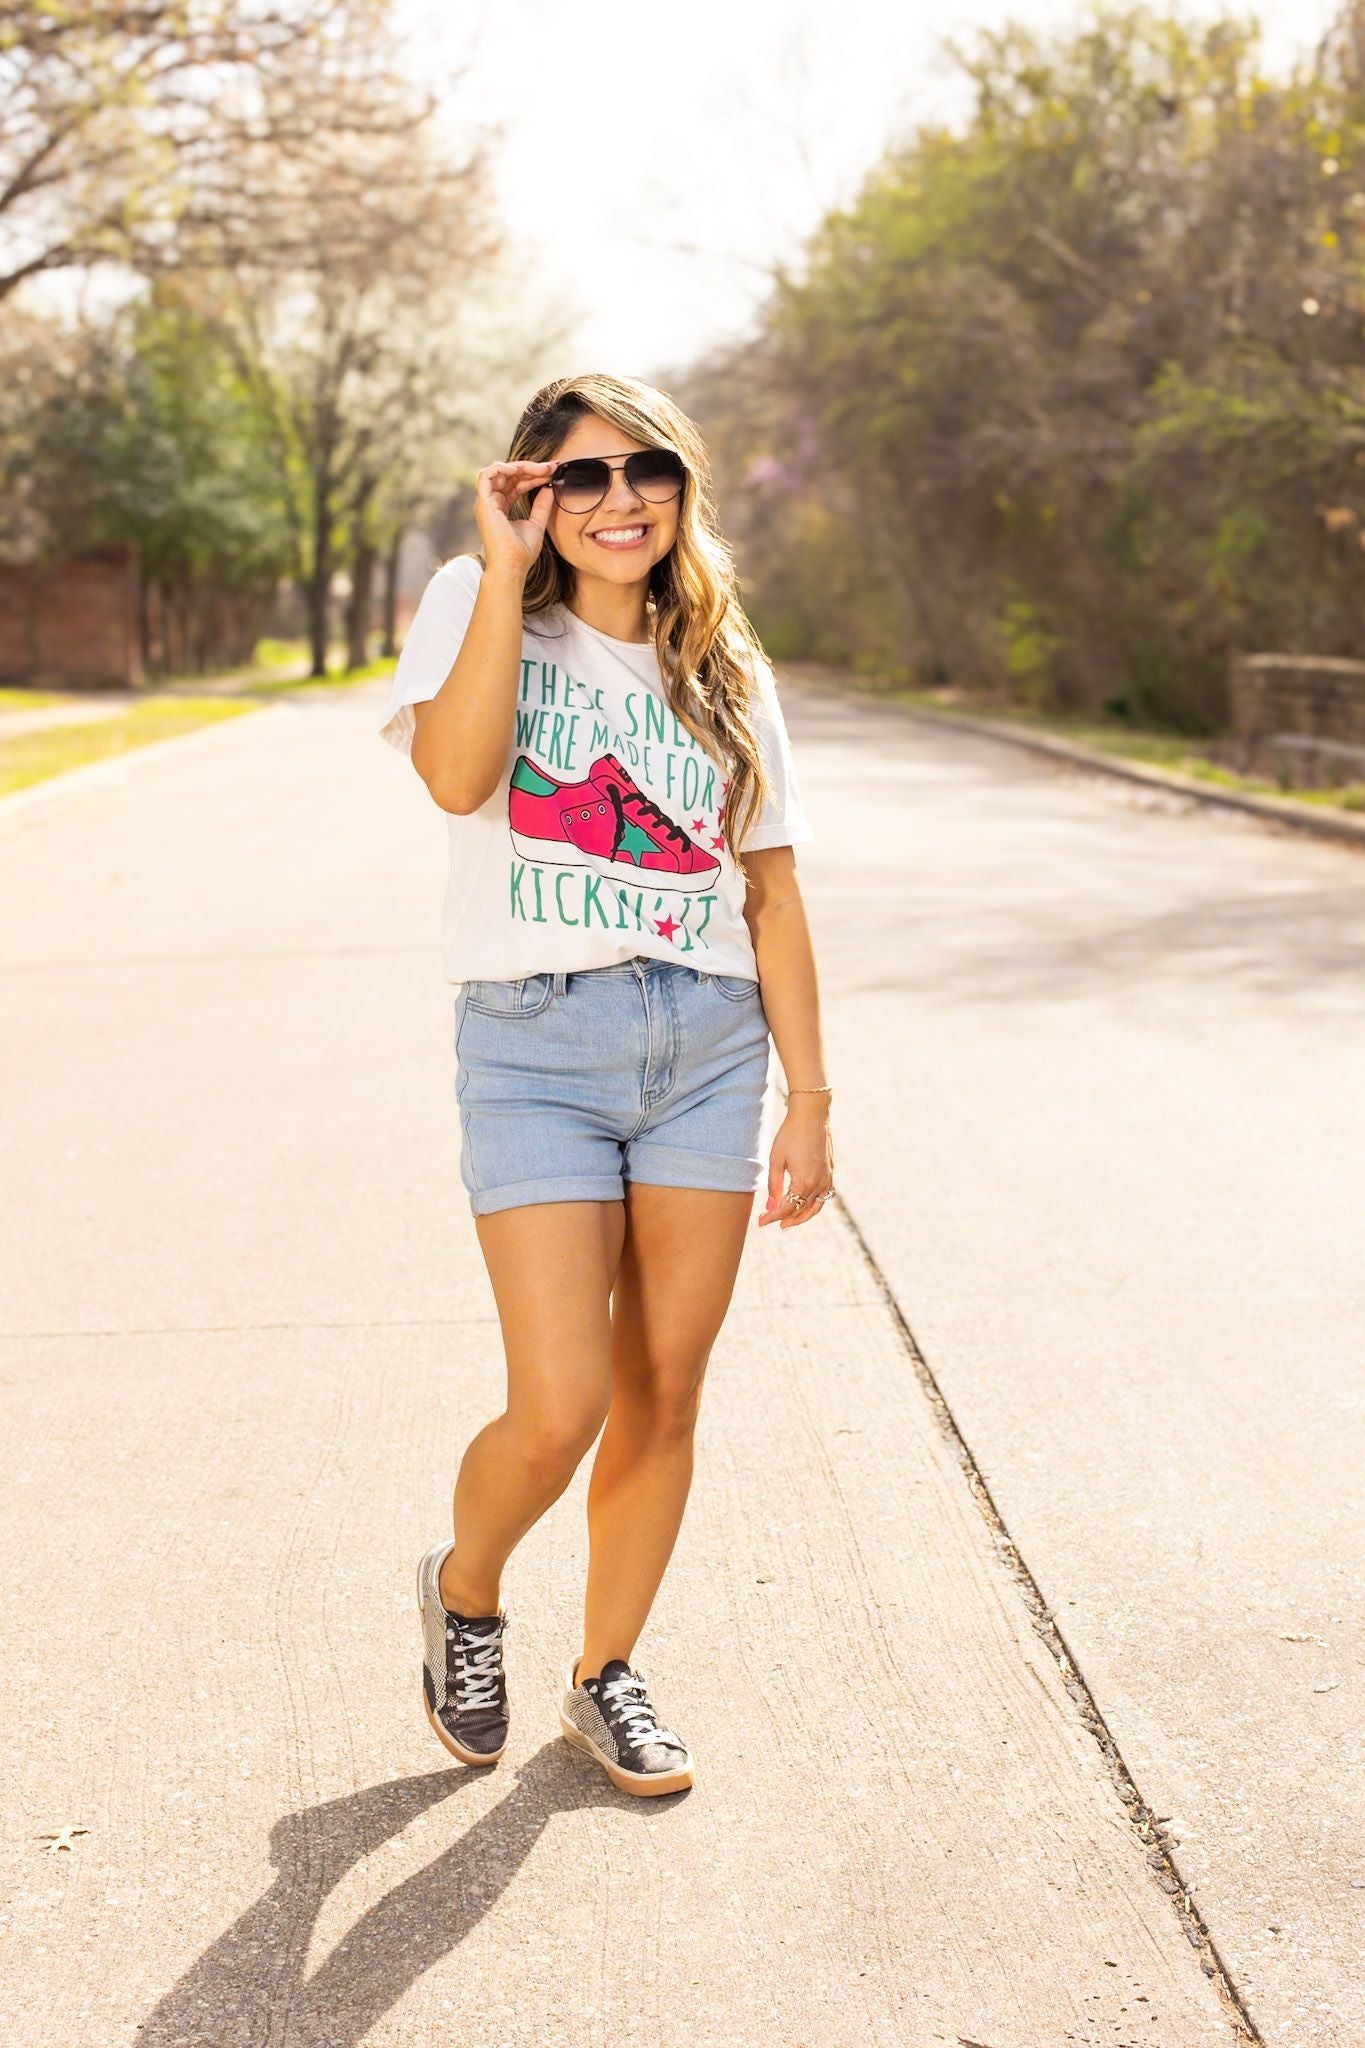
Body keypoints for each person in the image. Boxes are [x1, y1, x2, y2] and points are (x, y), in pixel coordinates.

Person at [379, 371, 835, 1798]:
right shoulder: (477, 602)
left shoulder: (726, 666)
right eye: (582, 476)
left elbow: (770, 894)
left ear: (683, 489)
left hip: (708, 1046)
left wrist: (809, 1100)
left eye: (648, 472)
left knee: (663, 1390)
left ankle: (607, 1674)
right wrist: (504, 569)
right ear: (534, 492)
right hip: (536, 1042)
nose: (619, 501)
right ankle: (465, 1590)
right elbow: (458, 780)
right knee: (563, 1399)